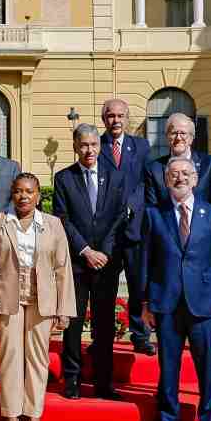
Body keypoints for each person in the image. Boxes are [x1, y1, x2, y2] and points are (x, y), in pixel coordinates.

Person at [138, 157, 211, 421]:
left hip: (204, 304)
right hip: (166, 303)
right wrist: (144, 302)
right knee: (168, 368)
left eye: (186, 174)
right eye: (174, 174)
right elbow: (145, 262)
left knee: (207, 368)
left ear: (195, 178)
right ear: (166, 180)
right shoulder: (154, 214)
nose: (180, 178)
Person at [0, 174, 75, 421]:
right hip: (8, 299)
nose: (23, 196)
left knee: (37, 359)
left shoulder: (52, 224)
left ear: (38, 196)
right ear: (12, 194)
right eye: (18, 191)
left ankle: (33, 417)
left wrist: (63, 308)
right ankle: (10, 418)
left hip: (42, 300)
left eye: (29, 191)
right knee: (9, 358)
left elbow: (62, 268)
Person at [52, 124, 129, 400]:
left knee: (104, 324)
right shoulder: (64, 178)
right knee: (73, 322)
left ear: (101, 146)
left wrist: (104, 251)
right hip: (76, 262)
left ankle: (104, 381)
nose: (89, 150)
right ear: (75, 146)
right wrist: (85, 250)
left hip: (106, 263)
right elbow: (62, 218)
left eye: (94, 145)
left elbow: (120, 217)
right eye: (84, 145)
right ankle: (72, 378)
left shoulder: (116, 177)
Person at [98, 98, 155, 355]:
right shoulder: (95, 146)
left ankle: (140, 335)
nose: (116, 120)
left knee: (137, 285)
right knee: (104, 290)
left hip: (135, 228)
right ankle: (102, 339)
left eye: (120, 115)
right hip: (107, 233)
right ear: (104, 119)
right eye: (110, 116)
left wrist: (134, 203)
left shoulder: (141, 146)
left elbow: (148, 181)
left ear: (127, 118)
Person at [144, 112, 211, 211]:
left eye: (183, 133)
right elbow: (152, 208)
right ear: (167, 137)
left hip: (204, 224)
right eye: (173, 133)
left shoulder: (210, 164)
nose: (178, 138)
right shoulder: (154, 168)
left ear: (191, 138)